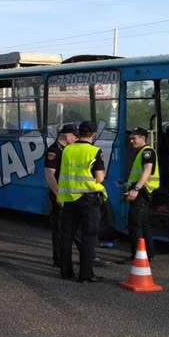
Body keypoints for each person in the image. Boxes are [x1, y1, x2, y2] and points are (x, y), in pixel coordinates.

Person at [57, 121, 107, 283]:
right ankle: (85, 274)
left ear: (78, 133)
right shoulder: (94, 151)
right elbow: (99, 178)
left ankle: (65, 271)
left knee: (66, 235)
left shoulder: (67, 150)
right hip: (88, 198)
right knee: (88, 237)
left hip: (69, 197)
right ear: (94, 134)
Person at [121, 127, 160, 262]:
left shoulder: (147, 152)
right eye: (130, 138)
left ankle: (137, 256)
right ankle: (148, 254)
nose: (131, 141)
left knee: (135, 224)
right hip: (142, 192)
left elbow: (147, 171)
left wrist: (136, 189)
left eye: (134, 138)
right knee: (143, 224)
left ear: (143, 138)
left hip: (142, 193)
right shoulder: (141, 152)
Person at [44, 124, 78, 268]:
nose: (77, 140)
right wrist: (58, 193)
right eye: (75, 137)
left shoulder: (67, 150)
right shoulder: (53, 151)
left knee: (70, 225)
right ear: (68, 136)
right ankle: (57, 258)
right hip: (59, 194)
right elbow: (49, 174)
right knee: (58, 226)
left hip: (68, 193)